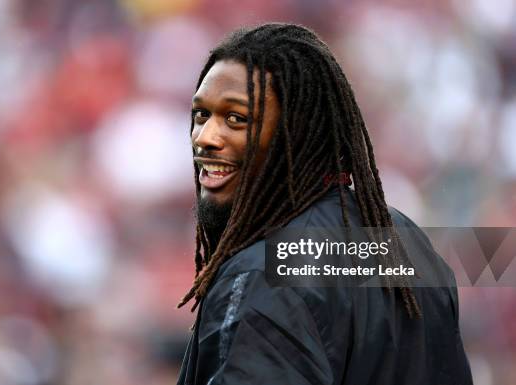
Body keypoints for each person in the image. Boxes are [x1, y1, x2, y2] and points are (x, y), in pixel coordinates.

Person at [176, 23, 473, 385]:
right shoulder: (406, 244)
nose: (204, 138)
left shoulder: (263, 274)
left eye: (236, 119)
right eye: (201, 115)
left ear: (296, 131)